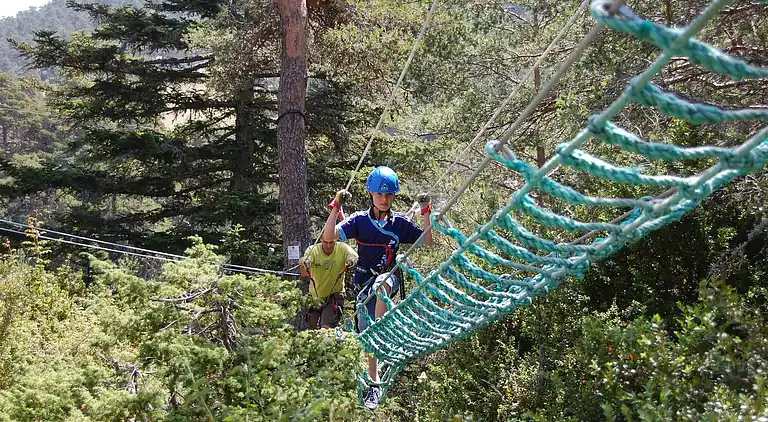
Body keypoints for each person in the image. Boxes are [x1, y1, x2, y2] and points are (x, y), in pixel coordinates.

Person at [322, 165, 433, 410]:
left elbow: (426, 240)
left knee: (381, 293)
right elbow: (328, 236)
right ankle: (372, 384)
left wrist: (426, 212)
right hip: (363, 283)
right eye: (380, 194)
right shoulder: (361, 221)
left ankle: (380, 331)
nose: (384, 199)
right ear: (371, 194)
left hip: (387, 278)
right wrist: (336, 207)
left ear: (393, 196)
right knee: (365, 339)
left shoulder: (400, 223)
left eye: (389, 195)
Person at [299, 238, 358, 329]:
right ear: (321, 239)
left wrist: (352, 260)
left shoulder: (343, 248)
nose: (328, 245)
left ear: (336, 239)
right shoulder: (313, 249)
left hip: (335, 295)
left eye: (331, 242)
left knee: (326, 329)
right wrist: (304, 263)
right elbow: (304, 272)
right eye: (325, 242)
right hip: (315, 296)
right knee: (312, 328)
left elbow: (353, 256)